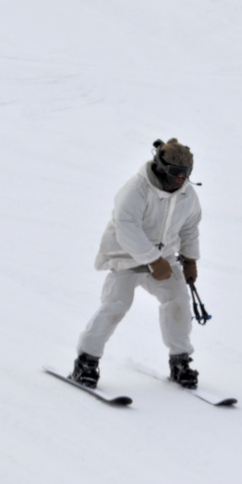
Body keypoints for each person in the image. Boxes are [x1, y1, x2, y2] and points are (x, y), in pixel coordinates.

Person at [71, 138, 202, 390]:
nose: (180, 178)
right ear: (162, 166)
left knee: (178, 302)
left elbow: (189, 227)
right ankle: (86, 361)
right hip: (127, 257)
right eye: (176, 172)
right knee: (116, 305)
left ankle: (180, 361)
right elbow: (126, 227)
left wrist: (190, 259)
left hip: (165, 259)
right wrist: (152, 259)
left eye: (186, 173)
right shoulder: (136, 189)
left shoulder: (187, 194)